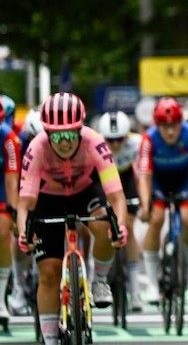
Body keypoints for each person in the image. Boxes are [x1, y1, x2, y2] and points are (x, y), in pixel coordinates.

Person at [16, 93, 128, 345]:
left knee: (104, 224)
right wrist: (24, 233)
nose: (63, 142)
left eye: (69, 135)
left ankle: (99, 280)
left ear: (80, 130)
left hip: (85, 191)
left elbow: (117, 197)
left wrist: (119, 225)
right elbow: (25, 203)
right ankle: (50, 339)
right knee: (49, 272)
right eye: (56, 136)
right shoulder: (36, 149)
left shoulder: (95, 142)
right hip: (47, 198)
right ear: (46, 133)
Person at [136, 97, 188, 304]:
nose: (171, 132)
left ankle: (187, 261)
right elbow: (145, 175)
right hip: (158, 181)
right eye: (165, 127)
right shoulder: (149, 139)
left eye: (174, 125)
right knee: (155, 220)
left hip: (185, 180)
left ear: (180, 123)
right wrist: (145, 205)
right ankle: (153, 284)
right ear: (157, 126)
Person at [93, 111, 146, 312]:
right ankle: (96, 277)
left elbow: (142, 174)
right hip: (103, 181)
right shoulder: (95, 145)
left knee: (129, 228)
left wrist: (144, 201)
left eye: (120, 139)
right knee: (98, 226)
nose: (115, 145)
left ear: (128, 135)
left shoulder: (138, 142)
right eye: (110, 140)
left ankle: (134, 290)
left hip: (126, 179)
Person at [0, 106, 20, 322]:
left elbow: (11, 178)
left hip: (2, 187)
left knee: (2, 232)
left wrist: (13, 210)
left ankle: (0, 300)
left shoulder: (9, 139)